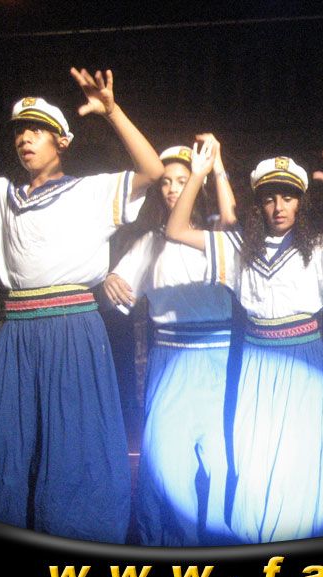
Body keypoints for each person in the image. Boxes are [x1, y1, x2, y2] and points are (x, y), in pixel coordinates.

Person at [166, 140, 323, 542]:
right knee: (254, 452)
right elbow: (176, 230)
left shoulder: (319, 247)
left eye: (288, 197)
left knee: (299, 453)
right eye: (269, 198)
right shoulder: (238, 246)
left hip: (304, 359)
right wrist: (198, 174)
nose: (279, 206)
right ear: (258, 205)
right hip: (258, 358)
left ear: (301, 204)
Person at [0, 68, 163, 542]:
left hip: (70, 326)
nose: (26, 139)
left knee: (74, 439)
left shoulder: (91, 191)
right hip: (18, 330)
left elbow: (153, 171)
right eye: (20, 131)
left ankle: (80, 539)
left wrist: (112, 111)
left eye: (38, 130)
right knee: (5, 440)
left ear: (62, 141)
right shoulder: (0, 195)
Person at [104, 136, 238, 545]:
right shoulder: (149, 242)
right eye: (166, 182)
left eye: (182, 180)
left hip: (219, 356)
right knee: (167, 461)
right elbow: (121, 284)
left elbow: (233, 222)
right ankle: (171, 545)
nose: (172, 188)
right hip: (171, 358)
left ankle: (223, 543)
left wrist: (216, 168)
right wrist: (110, 279)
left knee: (222, 458)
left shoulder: (216, 233)